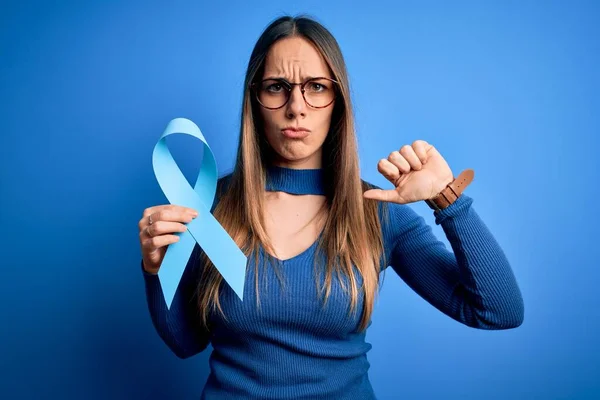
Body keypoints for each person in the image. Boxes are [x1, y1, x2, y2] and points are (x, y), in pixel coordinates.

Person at [137, 15, 524, 400]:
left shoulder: (375, 213)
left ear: (337, 101)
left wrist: (446, 199)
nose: (296, 107)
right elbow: (185, 343)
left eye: (316, 87)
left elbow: (498, 311)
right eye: (277, 87)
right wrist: (157, 272)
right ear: (255, 98)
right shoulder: (208, 206)